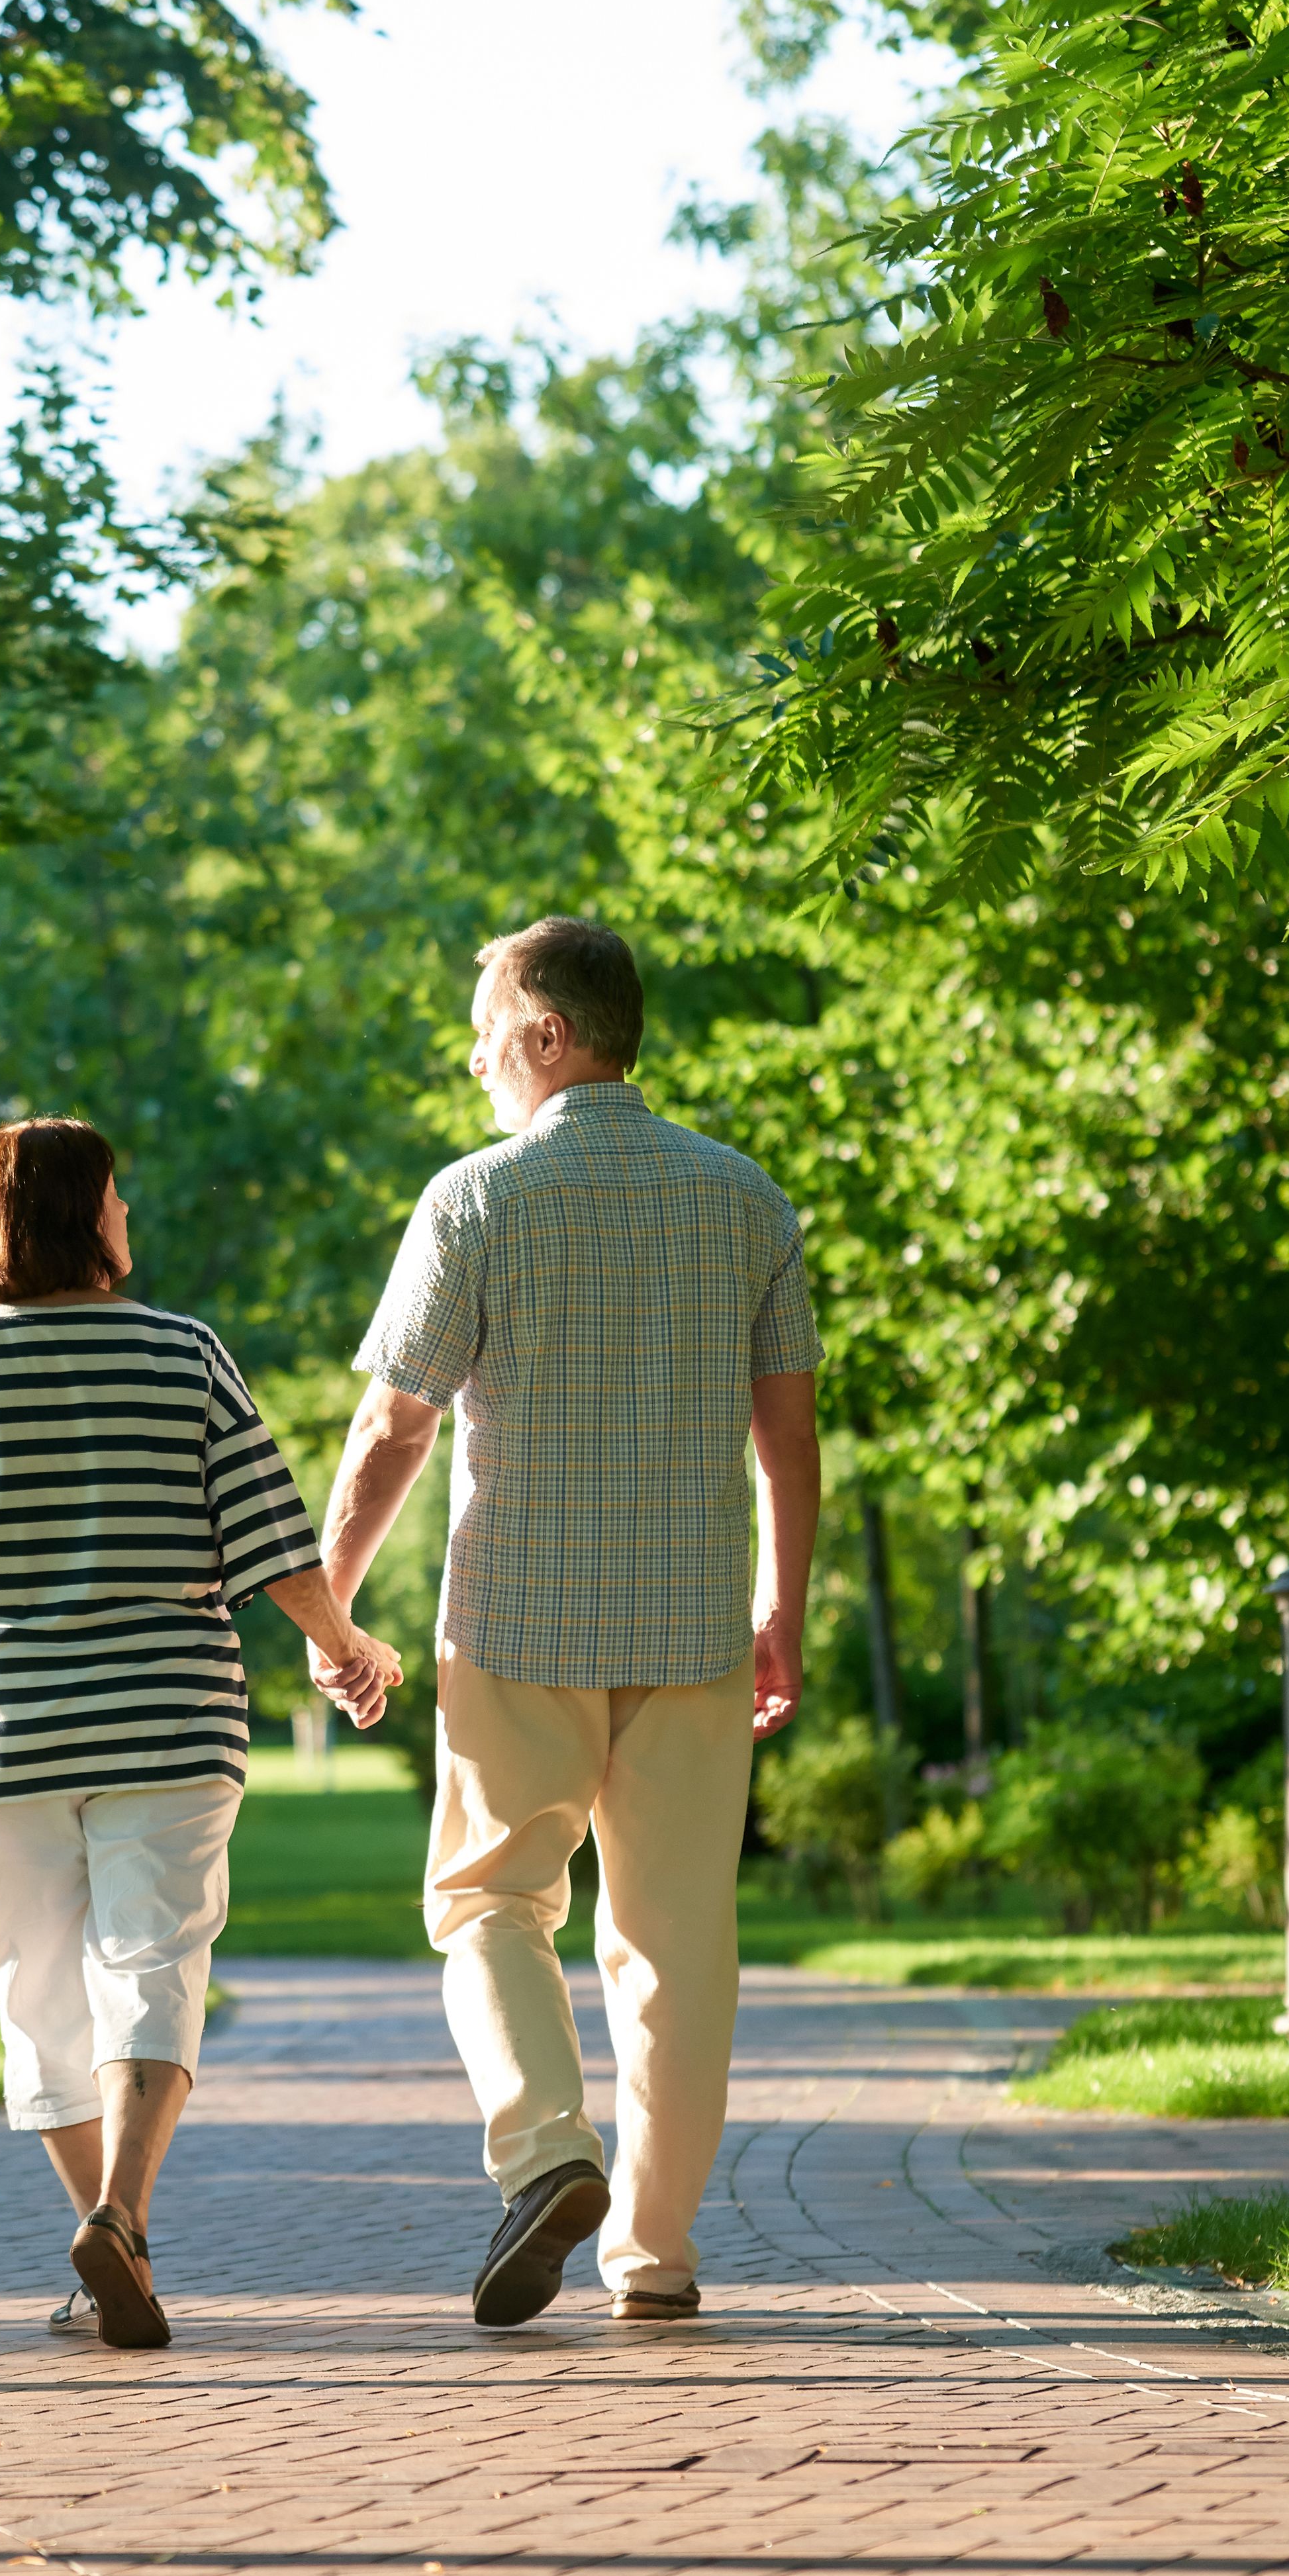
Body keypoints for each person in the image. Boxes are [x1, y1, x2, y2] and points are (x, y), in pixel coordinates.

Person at [318, 917, 824, 2328]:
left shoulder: (473, 1203)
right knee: (678, 1948)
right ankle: (654, 2260)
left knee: (486, 1902)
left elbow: (393, 1429)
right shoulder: (745, 1201)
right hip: (692, 1633)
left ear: (549, 1033)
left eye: (488, 1032)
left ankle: (547, 2151)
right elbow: (788, 1443)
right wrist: (783, 1610)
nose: (477, 1059)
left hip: (520, 1619)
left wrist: (332, 1600)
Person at [0, 1116, 401, 2350]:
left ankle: (115, 2242)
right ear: (75, 1218)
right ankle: (124, 2214)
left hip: (2, 1735)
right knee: (152, 1965)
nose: (126, 1218)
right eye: (114, 1198)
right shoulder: (183, 1354)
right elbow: (268, 1534)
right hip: (167, 1715)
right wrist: (340, 1644)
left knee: (38, 1997)